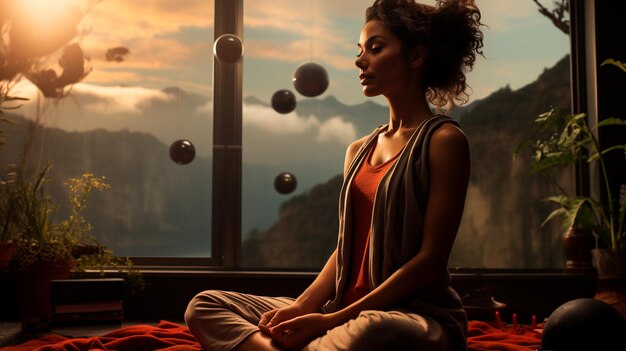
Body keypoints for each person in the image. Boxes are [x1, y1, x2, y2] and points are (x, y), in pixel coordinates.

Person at [185, 0, 484, 350]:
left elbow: (430, 262)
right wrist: (302, 307)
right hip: (339, 309)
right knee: (204, 305)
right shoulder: (358, 150)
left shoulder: (445, 141)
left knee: (370, 330)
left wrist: (330, 321)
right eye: (360, 50)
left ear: (416, 57)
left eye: (375, 48)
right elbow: (344, 248)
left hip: (410, 316)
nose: (360, 60)